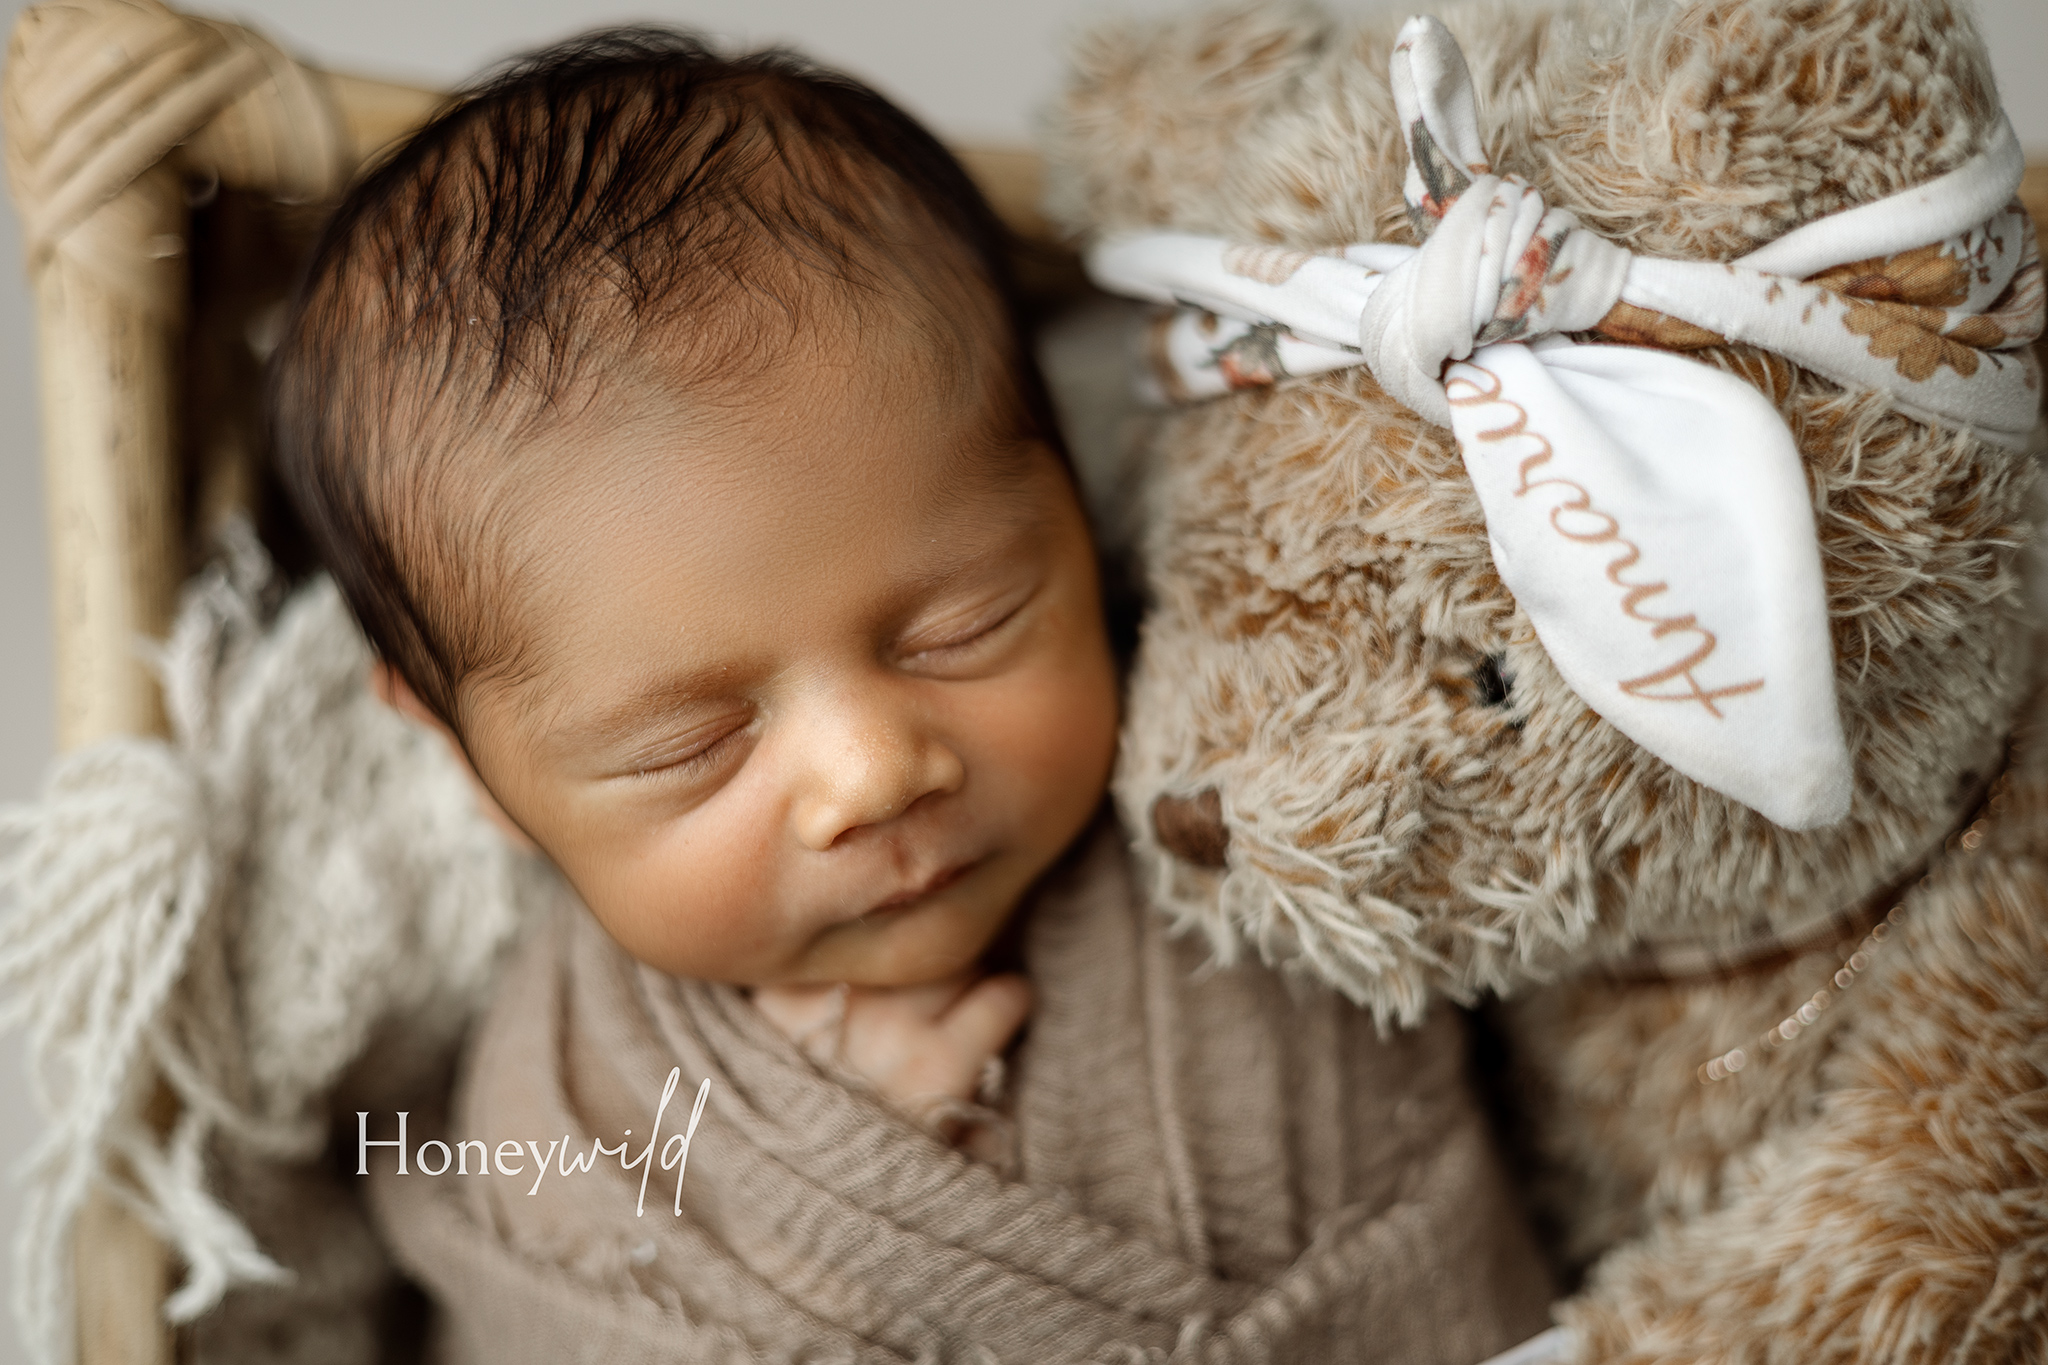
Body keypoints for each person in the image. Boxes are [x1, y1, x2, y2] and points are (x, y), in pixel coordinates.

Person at [271, 28, 1553, 1363]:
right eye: (693, 744)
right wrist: (816, 1232)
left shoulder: (1239, 817)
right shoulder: (563, 1106)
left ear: (1075, 501)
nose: (873, 770)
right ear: (475, 767)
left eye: (963, 626)